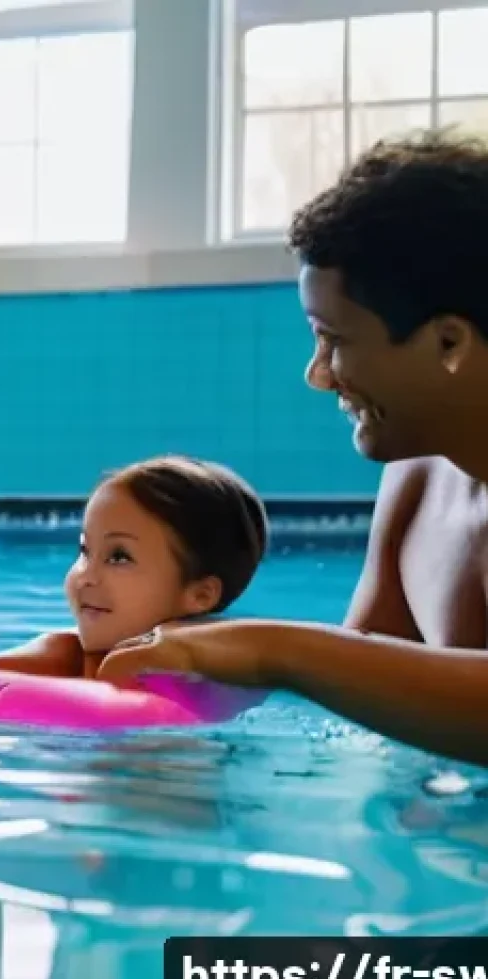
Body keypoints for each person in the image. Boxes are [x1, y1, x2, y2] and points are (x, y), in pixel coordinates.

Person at [96, 131, 488, 766]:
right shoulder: (418, 479)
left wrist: (270, 651)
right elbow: (362, 701)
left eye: (334, 340)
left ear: (449, 343)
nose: (319, 374)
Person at [0, 456, 268, 678]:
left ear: (200, 594)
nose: (85, 576)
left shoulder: (221, 667)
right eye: (84, 551)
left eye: (119, 557)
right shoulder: (66, 655)